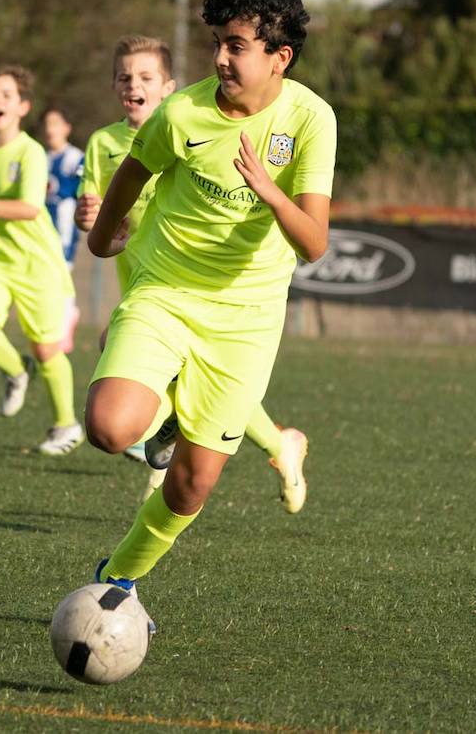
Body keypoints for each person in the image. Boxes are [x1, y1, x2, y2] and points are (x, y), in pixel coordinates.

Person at [82, 0, 335, 603]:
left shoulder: (310, 119)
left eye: (238, 46)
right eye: (218, 44)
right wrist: (100, 242)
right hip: (165, 292)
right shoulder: (181, 113)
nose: (221, 59)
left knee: (192, 486)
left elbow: (314, 244)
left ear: (280, 57)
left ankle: (118, 579)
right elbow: (130, 174)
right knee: (110, 428)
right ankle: (165, 410)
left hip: (245, 322)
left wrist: (270, 190)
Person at [76, 34, 312, 513]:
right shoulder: (104, 141)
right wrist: (94, 223)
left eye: (145, 77)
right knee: (164, 389)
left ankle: (164, 478)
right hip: (145, 280)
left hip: (191, 287)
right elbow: (99, 205)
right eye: (125, 77)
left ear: (168, 88)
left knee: (191, 394)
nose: (133, 85)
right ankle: (277, 444)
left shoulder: (188, 123)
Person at [0, 65, 83, 456]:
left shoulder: (31, 151)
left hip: (37, 261)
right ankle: (16, 370)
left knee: (47, 349)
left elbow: (28, 207)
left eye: (6, 95)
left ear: (22, 106)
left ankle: (66, 424)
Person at [41, 107, 84, 353]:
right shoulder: (42, 157)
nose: (50, 129)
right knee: (48, 276)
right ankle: (60, 320)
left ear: (67, 127)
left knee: (61, 273)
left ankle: (66, 322)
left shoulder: (75, 158)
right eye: (47, 123)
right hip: (42, 228)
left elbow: (80, 190)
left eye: (55, 123)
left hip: (64, 227)